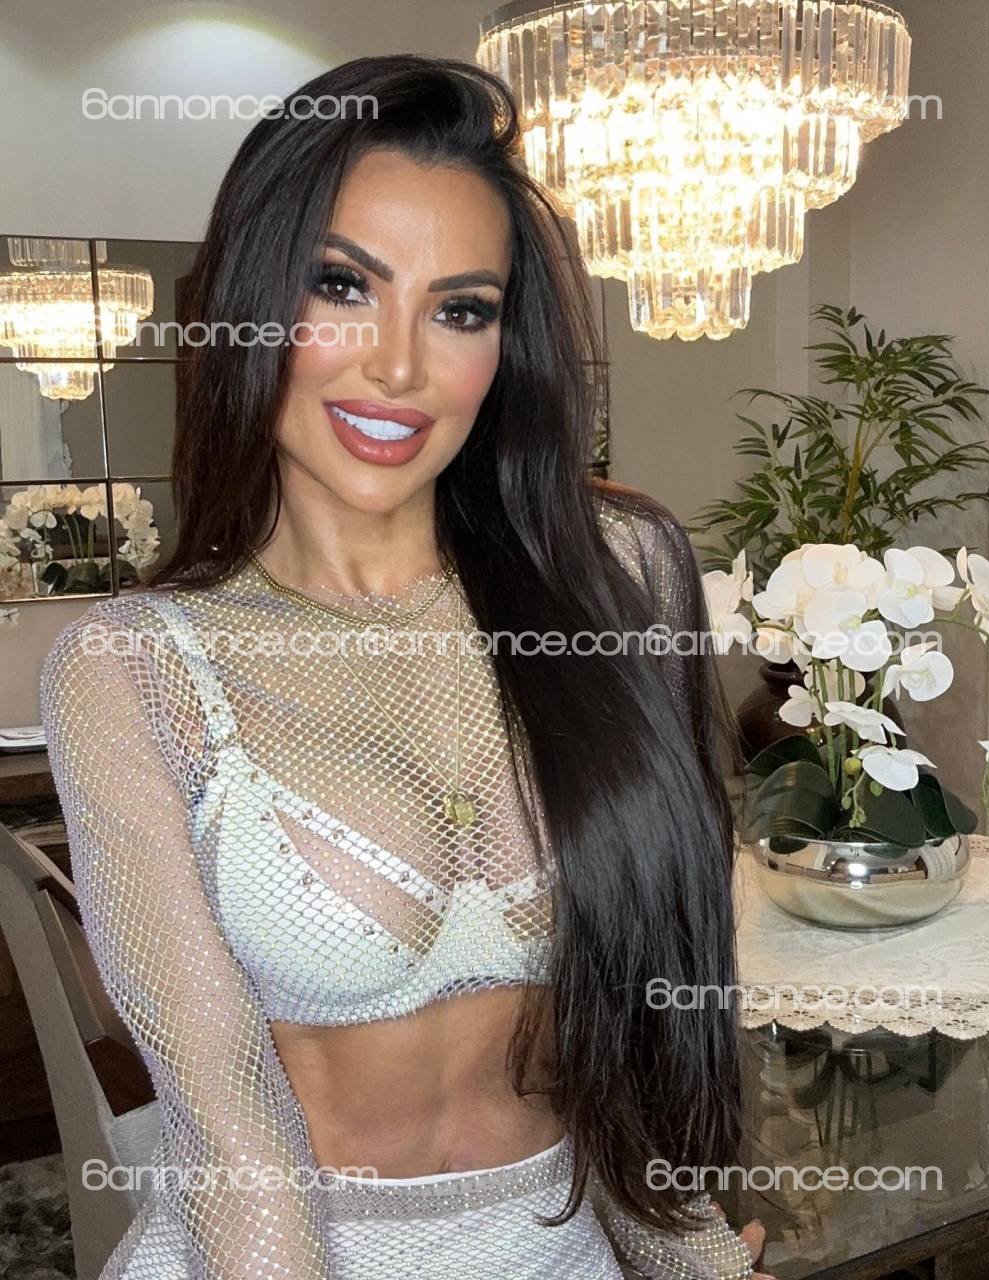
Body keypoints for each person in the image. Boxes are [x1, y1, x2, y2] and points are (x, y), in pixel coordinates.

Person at [40, 54, 776, 1280]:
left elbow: (641, 1017)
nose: (397, 367)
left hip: (559, 1245)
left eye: (460, 309)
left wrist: (698, 1256)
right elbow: (229, 1140)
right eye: (342, 286)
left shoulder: (617, 575)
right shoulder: (136, 667)